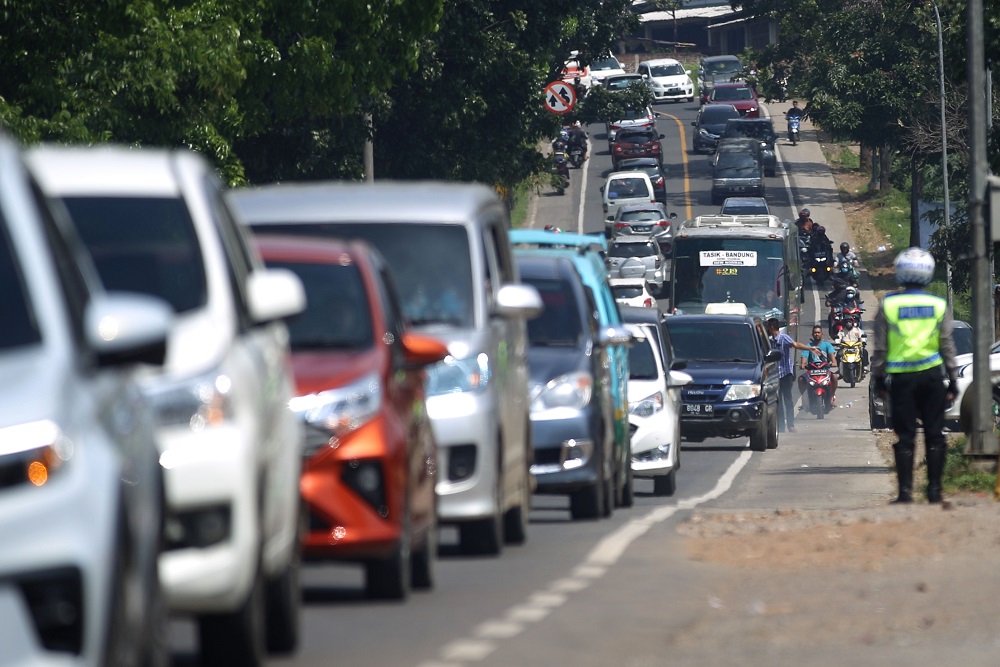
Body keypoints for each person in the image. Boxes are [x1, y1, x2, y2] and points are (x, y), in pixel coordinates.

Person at [871, 247, 958, 504]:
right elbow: (947, 345)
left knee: (905, 436)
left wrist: (878, 379)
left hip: (901, 380)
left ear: (900, 273)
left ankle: (905, 493)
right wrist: (952, 379)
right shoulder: (938, 304)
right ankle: (934, 492)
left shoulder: (889, 304)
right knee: (935, 434)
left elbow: (881, 348)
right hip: (932, 376)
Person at [767, 318, 812, 433]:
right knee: (778, 401)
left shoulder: (783, 338)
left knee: (788, 399)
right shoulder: (770, 340)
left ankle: (790, 425)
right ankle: (781, 426)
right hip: (775, 374)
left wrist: (809, 348)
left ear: (771, 327)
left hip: (786, 373)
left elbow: (795, 344)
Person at [799, 325, 839, 406]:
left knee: (834, 377)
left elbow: (833, 360)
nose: (816, 334)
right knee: (800, 379)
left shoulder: (827, 345)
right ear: (812, 334)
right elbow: (804, 358)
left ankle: (831, 396)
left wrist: (833, 363)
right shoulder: (809, 346)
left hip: (825, 370)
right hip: (812, 371)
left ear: (822, 334)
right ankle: (805, 399)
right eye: (815, 333)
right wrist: (803, 364)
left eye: (818, 332)